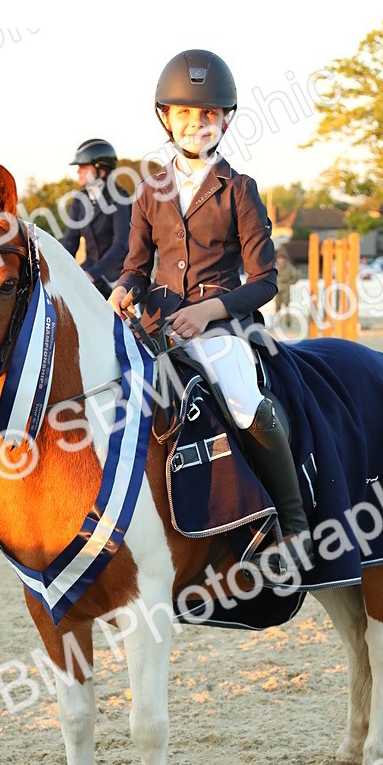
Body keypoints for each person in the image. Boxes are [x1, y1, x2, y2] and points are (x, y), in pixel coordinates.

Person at [108, 49, 314, 574]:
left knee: (244, 400)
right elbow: (136, 266)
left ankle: (292, 525)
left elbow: (264, 280)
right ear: (165, 118)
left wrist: (209, 312)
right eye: (184, 114)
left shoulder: (238, 189)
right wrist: (122, 290)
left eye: (207, 115)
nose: (195, 124)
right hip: (156, 324)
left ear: (224, 121)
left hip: (220, 325)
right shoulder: (149, 191)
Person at [61, 139, 131, 295]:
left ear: (102, 170)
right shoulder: (80, 200)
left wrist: (93, 273)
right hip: (88, 269)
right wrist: (59, 267)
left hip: (116, 275)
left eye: (83, 167)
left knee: (128, 315)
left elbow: (120, 245)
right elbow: (70, 241)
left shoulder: (119, 198)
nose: (78, 171)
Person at [274, 246, 300, 311]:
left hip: (285, 288)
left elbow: (297, 275)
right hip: (277, 288)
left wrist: (290, 282)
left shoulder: (289, 267)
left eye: (282, 258)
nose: (281, 260)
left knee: (286, 305)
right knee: (277, 306)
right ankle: (277, 319)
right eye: (279, 258)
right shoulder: (275, 266)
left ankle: (287, 320)